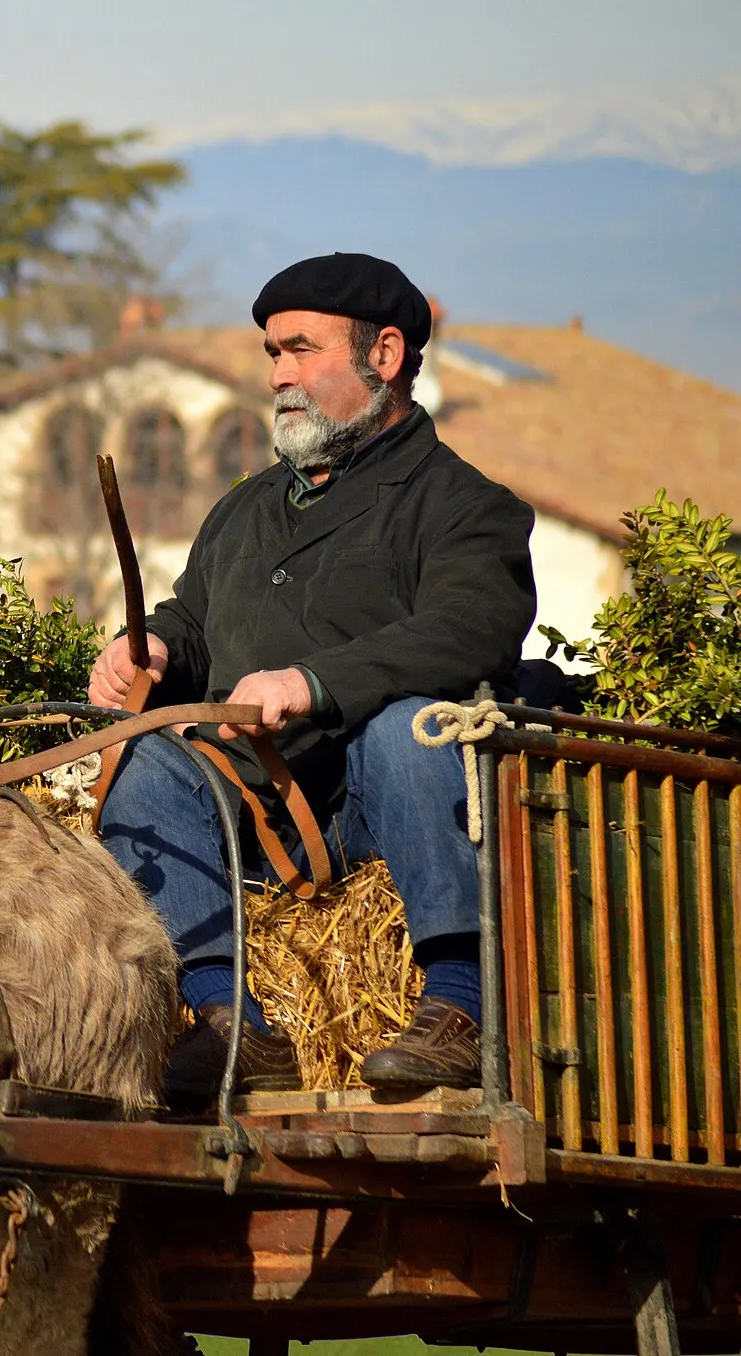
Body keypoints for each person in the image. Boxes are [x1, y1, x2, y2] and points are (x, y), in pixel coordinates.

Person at [89, 252, 536, 1103]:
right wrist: (149, 644)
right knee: (143, 764)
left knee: (409, 726)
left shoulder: (468, 506)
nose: (279, 376)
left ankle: (461, 1005)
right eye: (271, 354)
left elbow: (471, 630)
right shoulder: (245, 508)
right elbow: (198, 614)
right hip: (259, 808)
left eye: (301, 350)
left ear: (387, 354)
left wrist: (312, 681)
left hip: (382, 803)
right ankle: (230, 1022)